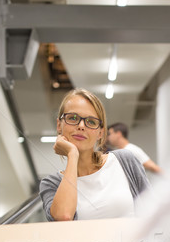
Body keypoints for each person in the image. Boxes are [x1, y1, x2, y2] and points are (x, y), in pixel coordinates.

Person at [39, 89, 150, 221]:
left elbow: (154, 211)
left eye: (91, 122)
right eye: (73, 118)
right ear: (59, 125)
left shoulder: (125, 160)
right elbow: (64, 217)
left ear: (101, 133)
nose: (81, 126)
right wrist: (72, 155)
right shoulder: (51, 183)